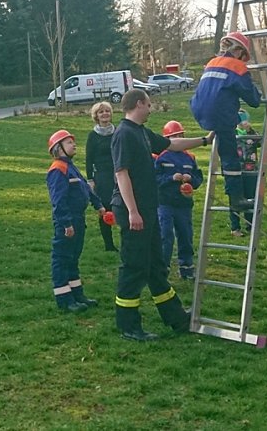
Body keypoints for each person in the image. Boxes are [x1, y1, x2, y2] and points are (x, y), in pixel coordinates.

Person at [111, 89, 213, 342]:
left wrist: (204, 140)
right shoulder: (124, 134)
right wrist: (133, 211)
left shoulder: (142, 133)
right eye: (148, 104)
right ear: (138, 104)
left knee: (156, 266)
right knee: (134, 267)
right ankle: (128, 326)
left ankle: (176, 318)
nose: (151, 108)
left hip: (148, 211)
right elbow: (121, 174)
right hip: (133, 213)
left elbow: (172, 144)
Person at [190, 31, 261, 212]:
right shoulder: (237, 67)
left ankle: (235, 196)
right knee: (230, 156)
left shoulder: (211, 63)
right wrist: (256, 90)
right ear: (238, 51)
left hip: (199, 110)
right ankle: (236, 198)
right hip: (220, 115)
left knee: (229, 124)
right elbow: (253, 101)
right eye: (243, 57)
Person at [46, 129, 106, 313]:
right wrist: (66, 224)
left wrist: (98, 205)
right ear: (59, 148)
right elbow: (58, 201)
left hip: (78, 220)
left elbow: (86, 188)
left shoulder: (71, 166)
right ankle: (64, 299)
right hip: (68, 222)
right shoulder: (58, 169)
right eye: (69, 142)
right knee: (63, 259)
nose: (74, 144)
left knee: (73, 258)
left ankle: (77, 294)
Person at [155, 120, 204, 279]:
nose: (178, 139)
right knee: (165, 236)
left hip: (184, 204)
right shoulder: (159, 157)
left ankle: (187, 268)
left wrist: (191, 180)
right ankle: (163, 269)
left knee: (186, 235)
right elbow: (154, 179)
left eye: (180, 136)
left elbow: (198, 178)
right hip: (165, 203)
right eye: (174, 136)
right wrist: (171, 178)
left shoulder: (190, 157)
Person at [85, 101, 118, 252]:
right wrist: (90, 179)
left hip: (118, 173)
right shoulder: (93, 136)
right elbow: (89, 159)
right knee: (105, 208)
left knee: (122, 206)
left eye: (107, 111)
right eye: (101, 112)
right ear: (96, 116)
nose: (105, 114)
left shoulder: (118, 131)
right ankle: (109, 245)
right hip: (102, 177)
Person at [230, 109, 261, 237]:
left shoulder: (252, 134)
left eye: (245, 120)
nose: (243, 123)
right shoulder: (232, 133)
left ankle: (250, 225)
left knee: (251, 198)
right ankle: (235, 227)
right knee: (235, 199)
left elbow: (260, 142)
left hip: (251, 170)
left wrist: (250, 131)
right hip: (235, 171)